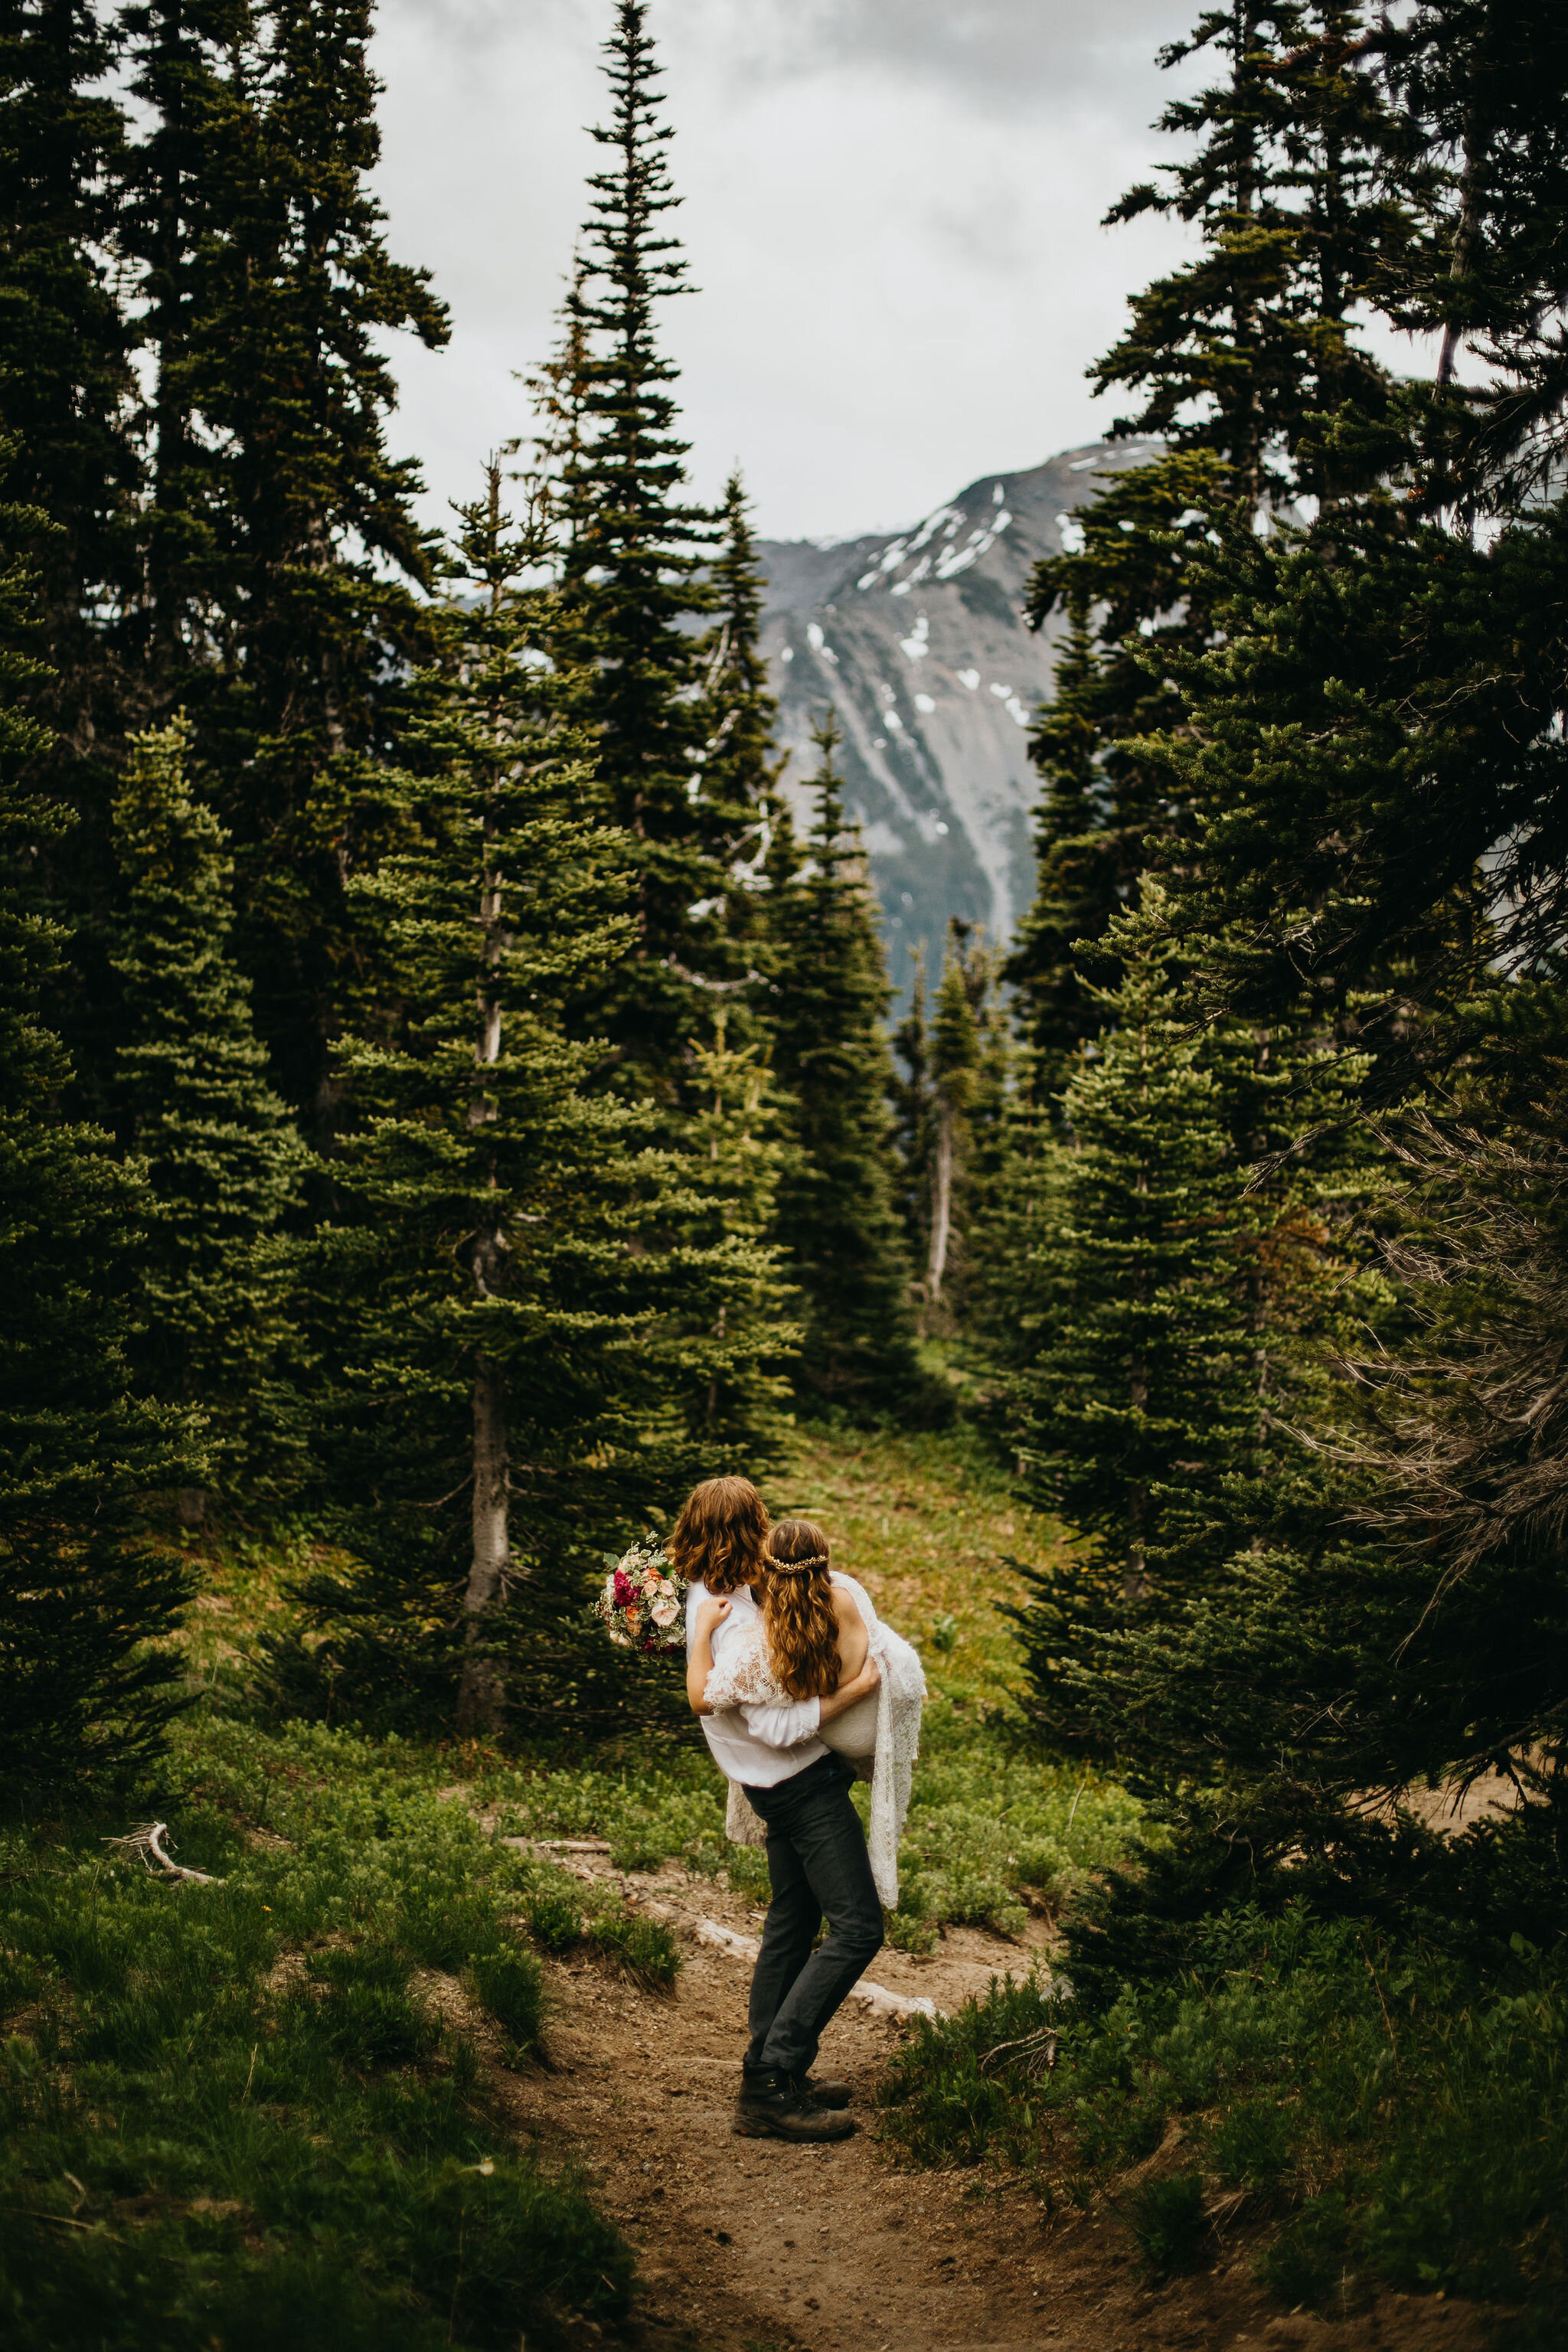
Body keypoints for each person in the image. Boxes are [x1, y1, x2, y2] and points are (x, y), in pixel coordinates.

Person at [671, 1480, 884, 2144]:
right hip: (797, 1786)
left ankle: (769, 2071)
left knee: (793, 1922)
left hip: (772, 1787)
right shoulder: (735, 1627)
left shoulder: (710, 1591)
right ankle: (771, 2082)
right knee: (858, 1928)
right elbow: (779, 1728)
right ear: (746, 1530)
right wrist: (858, 1690)